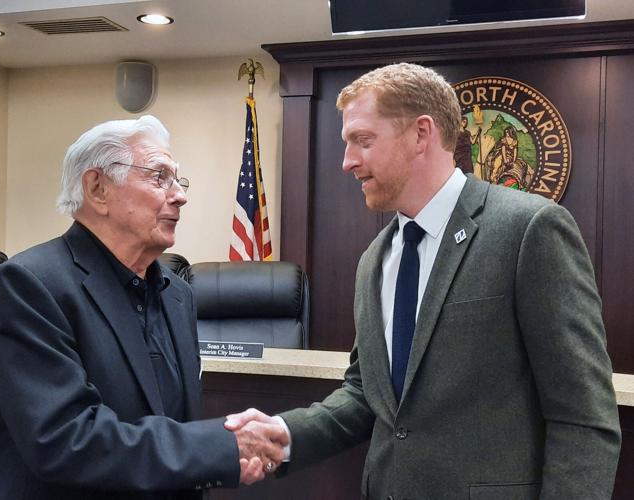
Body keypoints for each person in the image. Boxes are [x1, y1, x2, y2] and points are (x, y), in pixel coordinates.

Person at [225, 63, 622, 499]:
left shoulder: (530, 230)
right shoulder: (375, 259)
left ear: (421, 134)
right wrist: (286, 433)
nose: (346, 161)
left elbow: (583, 415)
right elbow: (366, 393)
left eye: (363, 140)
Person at [0, 116, 286, 500]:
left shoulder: (178, 295)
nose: (179, 195)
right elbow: (67, 439)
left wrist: (217, 455)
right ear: (97, 188)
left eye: (177, 180)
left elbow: (176, 424)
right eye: (159, 177)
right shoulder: (29, 284)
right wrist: (220, 447)